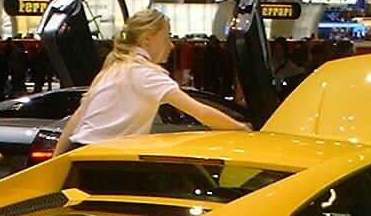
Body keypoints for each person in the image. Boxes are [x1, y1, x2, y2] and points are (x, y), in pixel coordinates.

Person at [54, 9, 248, 155]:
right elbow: (201, 112)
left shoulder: (111, 70)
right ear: (147, 39)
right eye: (168, 36)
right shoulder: (145, 73)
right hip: (107, 161)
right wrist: (243, 129)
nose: (171, 45)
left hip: (79, 156)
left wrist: (55, 164)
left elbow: (75, 121)